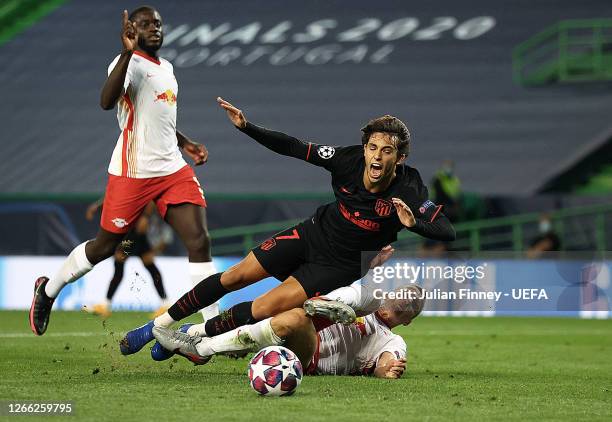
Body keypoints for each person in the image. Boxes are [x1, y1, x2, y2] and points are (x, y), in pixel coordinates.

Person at [119, 96, 454, 355]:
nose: (377, 156)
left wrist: (415, 224)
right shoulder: (346, 160)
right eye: (372, 148)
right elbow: (295, 147)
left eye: (387, 151)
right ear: (365, 149)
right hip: (312, 234)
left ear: (401, 158)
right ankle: (156, 327)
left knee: (264, 307)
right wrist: (248, 127)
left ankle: (193, 338)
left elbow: (446, 230)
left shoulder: (410, 188)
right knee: (234, 276)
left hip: (337, 265)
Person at [29, 6, 218, 336]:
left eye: (157, 24)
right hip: (133, 172)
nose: (154, 29)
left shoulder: (168, 68)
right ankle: (47, 291)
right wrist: (126, 53)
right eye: (145, 24)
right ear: (132, 29)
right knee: (103, 248)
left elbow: (156, 118)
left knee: (199, 241)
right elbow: (106, 101)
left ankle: (215, 325)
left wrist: (184, 141)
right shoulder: (125, 63)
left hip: (172, 169)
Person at [153, 283, 425, 379]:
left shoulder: (392, 339)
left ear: (409, 320)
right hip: (304, 324)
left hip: (311, 359)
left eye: (410, 305)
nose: (405, 300)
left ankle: (202, 346)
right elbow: (361, 294)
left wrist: (387, 370)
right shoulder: (371, 300)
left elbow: (387, 362)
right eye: (405, 294)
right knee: (287, 310)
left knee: (296, 317)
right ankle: (204, 336)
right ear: (394, 291)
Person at [84, 200, 171, 319]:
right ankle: (165, 303)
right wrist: (96, 206)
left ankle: (105, 305)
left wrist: (145, 216)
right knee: (148, 265)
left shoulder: (139, 183)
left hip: (134, 227)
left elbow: (149, 196)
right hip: (130, 226)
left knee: (122, 263)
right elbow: (114, 195)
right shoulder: (125, 183)